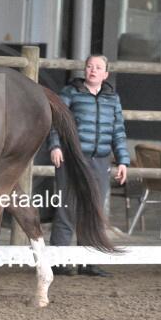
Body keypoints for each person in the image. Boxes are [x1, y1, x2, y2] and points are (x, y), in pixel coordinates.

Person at [48, 54, 129, 277]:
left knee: (93, 210)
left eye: (98, 67)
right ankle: (58, 262)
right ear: (85, 70)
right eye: (89, 66)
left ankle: (89, 262)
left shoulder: (112, 98)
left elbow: (118, 131)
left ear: (106, 74)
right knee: (67, 209)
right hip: (71, 159)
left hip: (100, 160)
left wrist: (123, 160)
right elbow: (56, 121)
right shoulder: (70, 92)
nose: (93, 70)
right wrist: (55, 146)